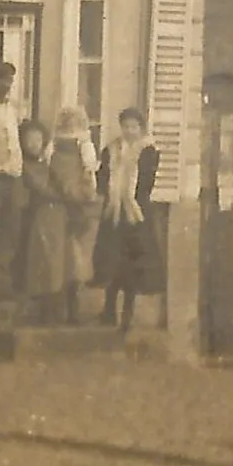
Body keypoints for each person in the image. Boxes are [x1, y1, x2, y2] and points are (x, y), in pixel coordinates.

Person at [96, 105, 164, 331]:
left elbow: (146, 182)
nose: (129, 131)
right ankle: (108, 309)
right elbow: (102, 176)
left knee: (134, 266)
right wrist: (111, 193)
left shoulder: (148, 150)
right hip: (115, 214)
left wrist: (130, 197)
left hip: (137, 214)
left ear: (141, 128)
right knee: (113, 263)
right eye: (125, 126)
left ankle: (128, 314)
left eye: (134, 127)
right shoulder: (112, 149)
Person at [48, 103, 102, 327]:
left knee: (75, 258)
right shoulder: (53, 146)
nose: (70, 125)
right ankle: (58, 309)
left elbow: (89, 174)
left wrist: (84, 193)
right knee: (58, 257)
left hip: (78, 204)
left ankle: (73, 308)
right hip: (59, 203)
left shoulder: (84, 145)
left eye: (74, 121)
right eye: (66, 121)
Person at [18, 117, 68, 321]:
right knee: (39, 261)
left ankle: (53, 307)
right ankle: (39, 307)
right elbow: (41, 188)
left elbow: (61, 183)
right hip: (34, 216)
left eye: (38, 140)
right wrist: (63, 195)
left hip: (54, 217)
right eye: (29, 139)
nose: (34, 144)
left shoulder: (48, 165)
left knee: (55, 262)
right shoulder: (24, 167)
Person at [0, 60, 25, 300]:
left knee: (12, 229)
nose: (6, 85)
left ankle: (3, 276)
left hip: (13, 176)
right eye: (2, 79)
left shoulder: (12, 109)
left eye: (9, 80)